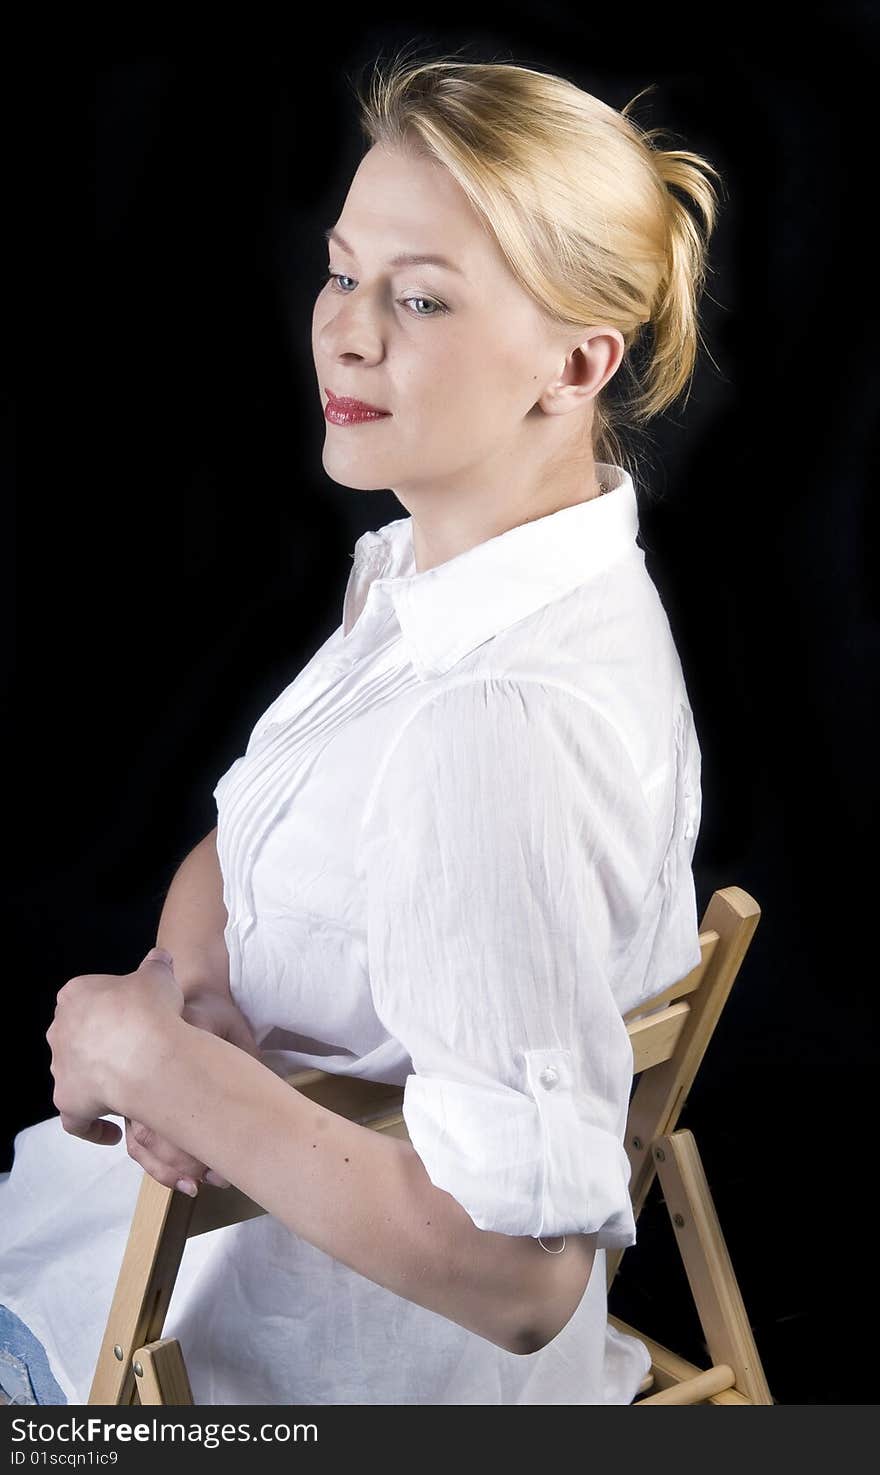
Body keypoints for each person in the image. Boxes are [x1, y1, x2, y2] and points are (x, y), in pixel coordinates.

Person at [0, 49, 721, 1405]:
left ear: (579, 360)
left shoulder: (494, 722)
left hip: (241, 1360)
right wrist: (191, 983)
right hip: (128, 1262)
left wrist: (156, 1064)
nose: (347, 330)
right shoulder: (447, 578)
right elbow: (256, 835)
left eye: (425, 298)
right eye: (344, 273)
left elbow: (519, 1281)